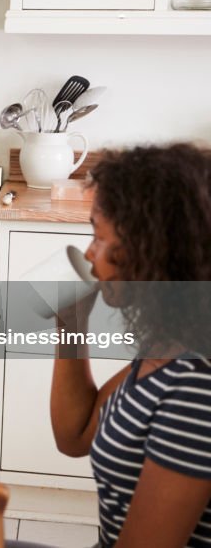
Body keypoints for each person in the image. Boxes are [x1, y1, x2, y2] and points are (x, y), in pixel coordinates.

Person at [49, 143, 211, 548]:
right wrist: (70, 323)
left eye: (99, 237)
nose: (88, 252)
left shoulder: (195, 387)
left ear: (153, 253)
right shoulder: (167, 347)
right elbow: (74, 437)